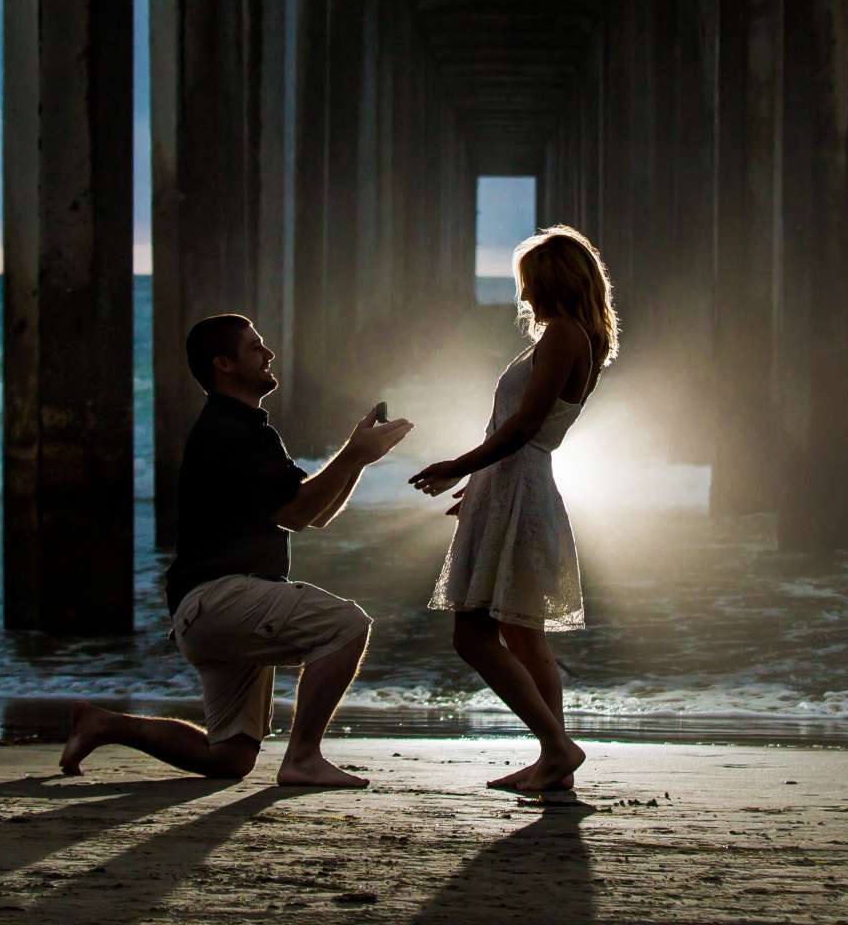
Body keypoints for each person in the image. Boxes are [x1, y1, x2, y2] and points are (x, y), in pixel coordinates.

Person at [60, 314, 412, 788]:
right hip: (223, 599)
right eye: (255, 348)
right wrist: (352, 453)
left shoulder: (244, 429)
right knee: (347, 626)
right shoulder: (233, 431)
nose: (268, 355)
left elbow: (315, 514)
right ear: (223, 365)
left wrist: (360, 457)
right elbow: (295, 512)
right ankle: (303, 757)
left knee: (228, 757)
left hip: (209, 610)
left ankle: (103, 723)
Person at [409, 225, 616, 794]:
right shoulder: (569, 337)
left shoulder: (562, 338)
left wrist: (459, 465)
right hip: (512, 486)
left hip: (521, 485)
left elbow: (526, 427)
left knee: (477, 635)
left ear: (548, 281)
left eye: (526, 281)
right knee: (522, 635)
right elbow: (520, 429)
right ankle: (555, 761)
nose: (521, 294)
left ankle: (556, 747)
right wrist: (480, 486)